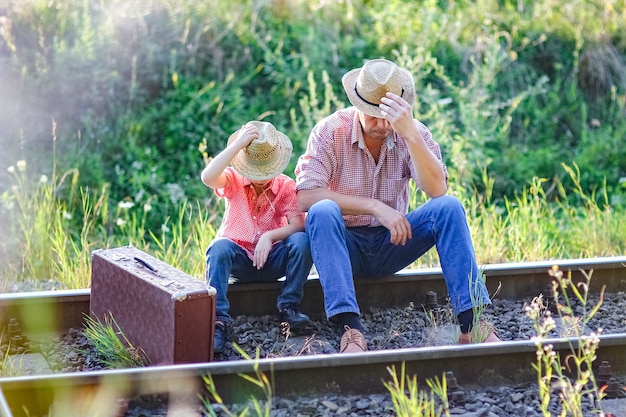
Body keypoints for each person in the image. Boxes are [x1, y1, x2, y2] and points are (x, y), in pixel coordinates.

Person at [295, 58, 500, 353]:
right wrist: (375, 206)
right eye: (372, 116)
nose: (381, 125)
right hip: (345, 246)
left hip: (393, 241)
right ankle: (350, 330)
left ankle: (472, 324)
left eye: (387, 116)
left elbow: (437, 190)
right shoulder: (329, 131)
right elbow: (305, 196)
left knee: (450, 207)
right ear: (358, 107)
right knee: (322, 211)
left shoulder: (411, 132)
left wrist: (411, 135)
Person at [202, 120, 313, 354]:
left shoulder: (285, 186)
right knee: (218, 247)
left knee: (302, 241)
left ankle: (289, 307)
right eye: (256, 169)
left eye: (267, 169)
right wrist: (238, 145)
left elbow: (298, 224)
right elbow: (208, 177)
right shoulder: (233, 180)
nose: (261, 177)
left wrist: (270, 236)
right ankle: (218, 320)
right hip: (240, 260)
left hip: (272, 259)